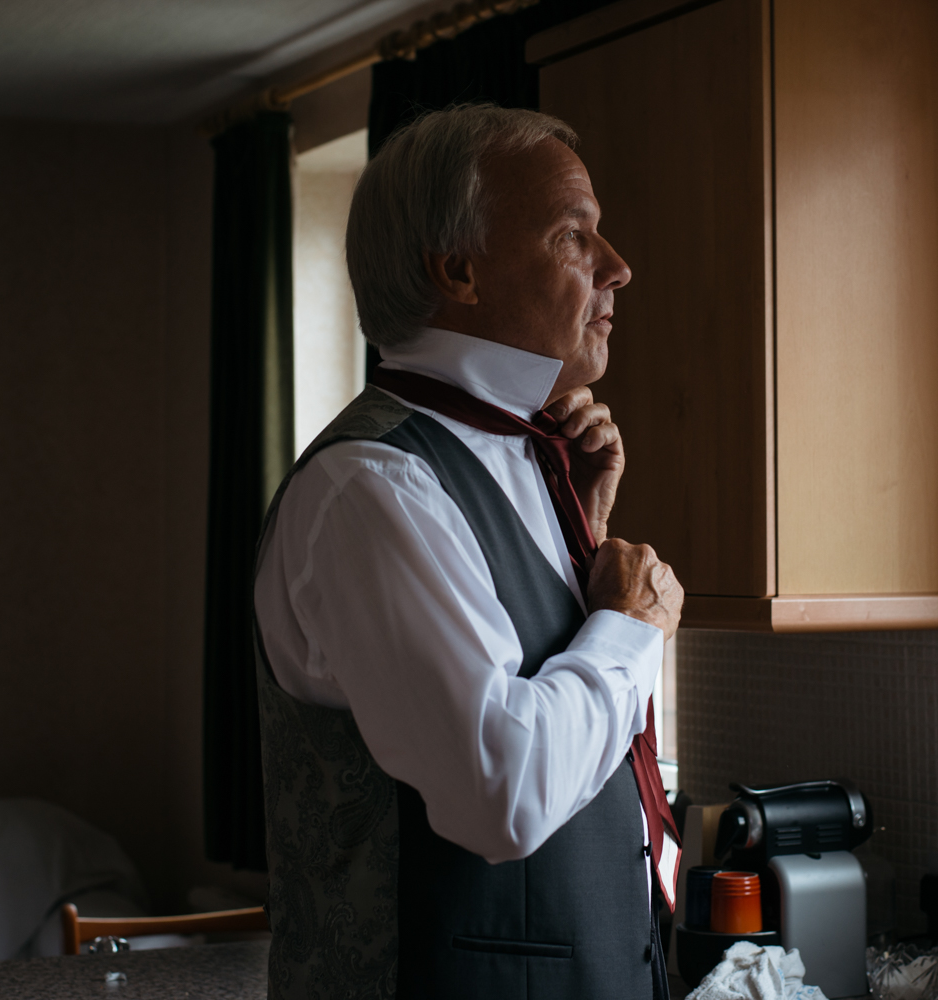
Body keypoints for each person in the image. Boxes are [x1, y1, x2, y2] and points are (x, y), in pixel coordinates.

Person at [252, 104, 684, 1000]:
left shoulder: (535, 459)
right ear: (459, 270)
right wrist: (626, 627)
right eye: (575, 235)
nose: (618, 267)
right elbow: (502, 792)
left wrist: (584, 550)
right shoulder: (371, 489)